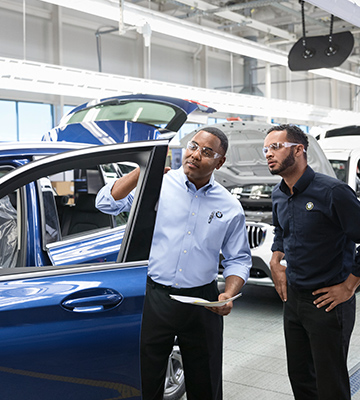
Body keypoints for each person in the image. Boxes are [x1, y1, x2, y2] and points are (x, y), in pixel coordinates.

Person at [96, 126, 252, 400]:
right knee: (146, 379)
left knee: (206, 381)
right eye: (192, 146)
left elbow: (238, 258)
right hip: (155, 296)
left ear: (220, 161)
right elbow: (106, 203)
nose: (194, 155)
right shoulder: (157, 185)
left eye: (206, 152)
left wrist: (228, 292)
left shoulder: (229, 206)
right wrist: (144, 172)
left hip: (203, 302)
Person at [265, 124, 360, 400]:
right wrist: (275, 258)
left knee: (330, 384)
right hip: (293, 300)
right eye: (266, 149)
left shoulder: (333, 192)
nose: (268, 154)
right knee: (301, 378)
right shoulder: (278, 194)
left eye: (275, 147)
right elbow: (281, 231)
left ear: (298, 150)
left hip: (328, 302)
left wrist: (349, 287)